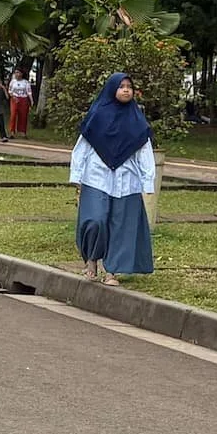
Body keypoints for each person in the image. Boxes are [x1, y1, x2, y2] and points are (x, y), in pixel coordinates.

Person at [70, 73, 156, 284]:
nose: (126, 90)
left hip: (127, 180)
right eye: (121, 86)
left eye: (129, 86)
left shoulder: (137, 120)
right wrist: (76, 175)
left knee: (122, 225)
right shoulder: (97, 115)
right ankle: (91, 259)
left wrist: (147, 180)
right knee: (95, 220)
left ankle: (112, 270)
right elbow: (82, 147)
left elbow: (145, 151)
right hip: (96, 176)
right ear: (111, 89)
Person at [8, 67, 34, 138]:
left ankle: (22, 132)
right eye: (15, 73)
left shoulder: (26, 82)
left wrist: (31, 101)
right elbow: (10, 91)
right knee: (13, 115)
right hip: (15, 99)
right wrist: (13, 97)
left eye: (18, 72)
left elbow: (29, 92)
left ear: (21, 74)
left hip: (23, 99)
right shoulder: (13, 81)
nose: (16, 74)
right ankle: (12, 132)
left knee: (23, 116)